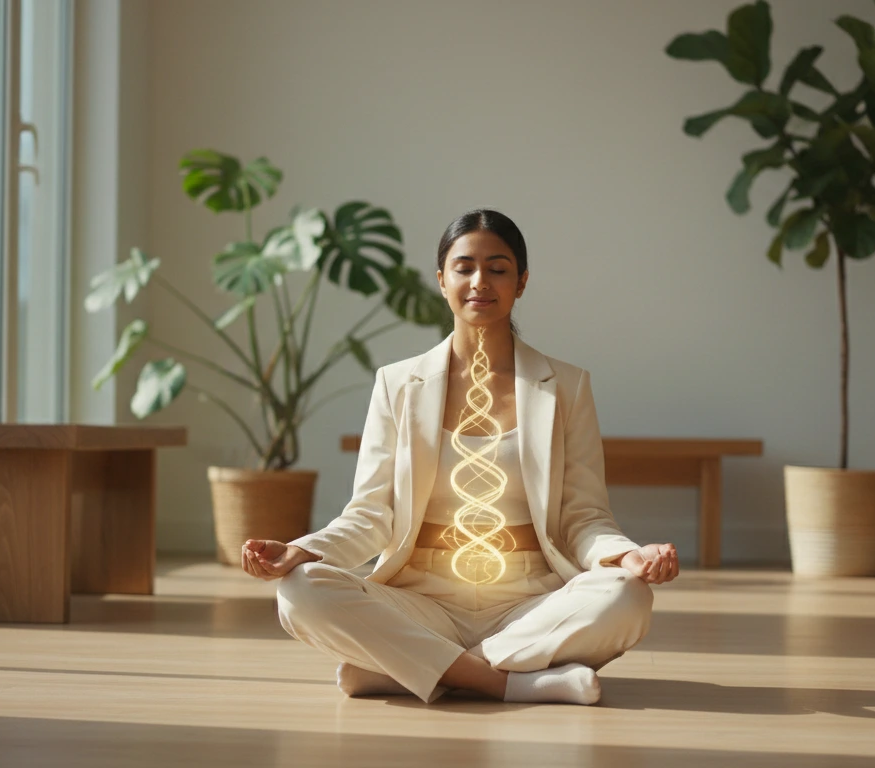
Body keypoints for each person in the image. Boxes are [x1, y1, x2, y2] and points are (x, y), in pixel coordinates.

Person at [242, 209, 680, 705]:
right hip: (420, 599)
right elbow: (369, 514)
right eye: (464, 267)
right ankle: (504, 681)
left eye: (498, 269)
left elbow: (583, 517)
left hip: (531, 600)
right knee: (300, 590)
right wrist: (304, 550)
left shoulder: (567, 386)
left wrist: (628, 555)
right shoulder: (397, 383)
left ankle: (408, 668)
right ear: (441, 279)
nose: (480, 282)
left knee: (627, 595)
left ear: (521, 282)